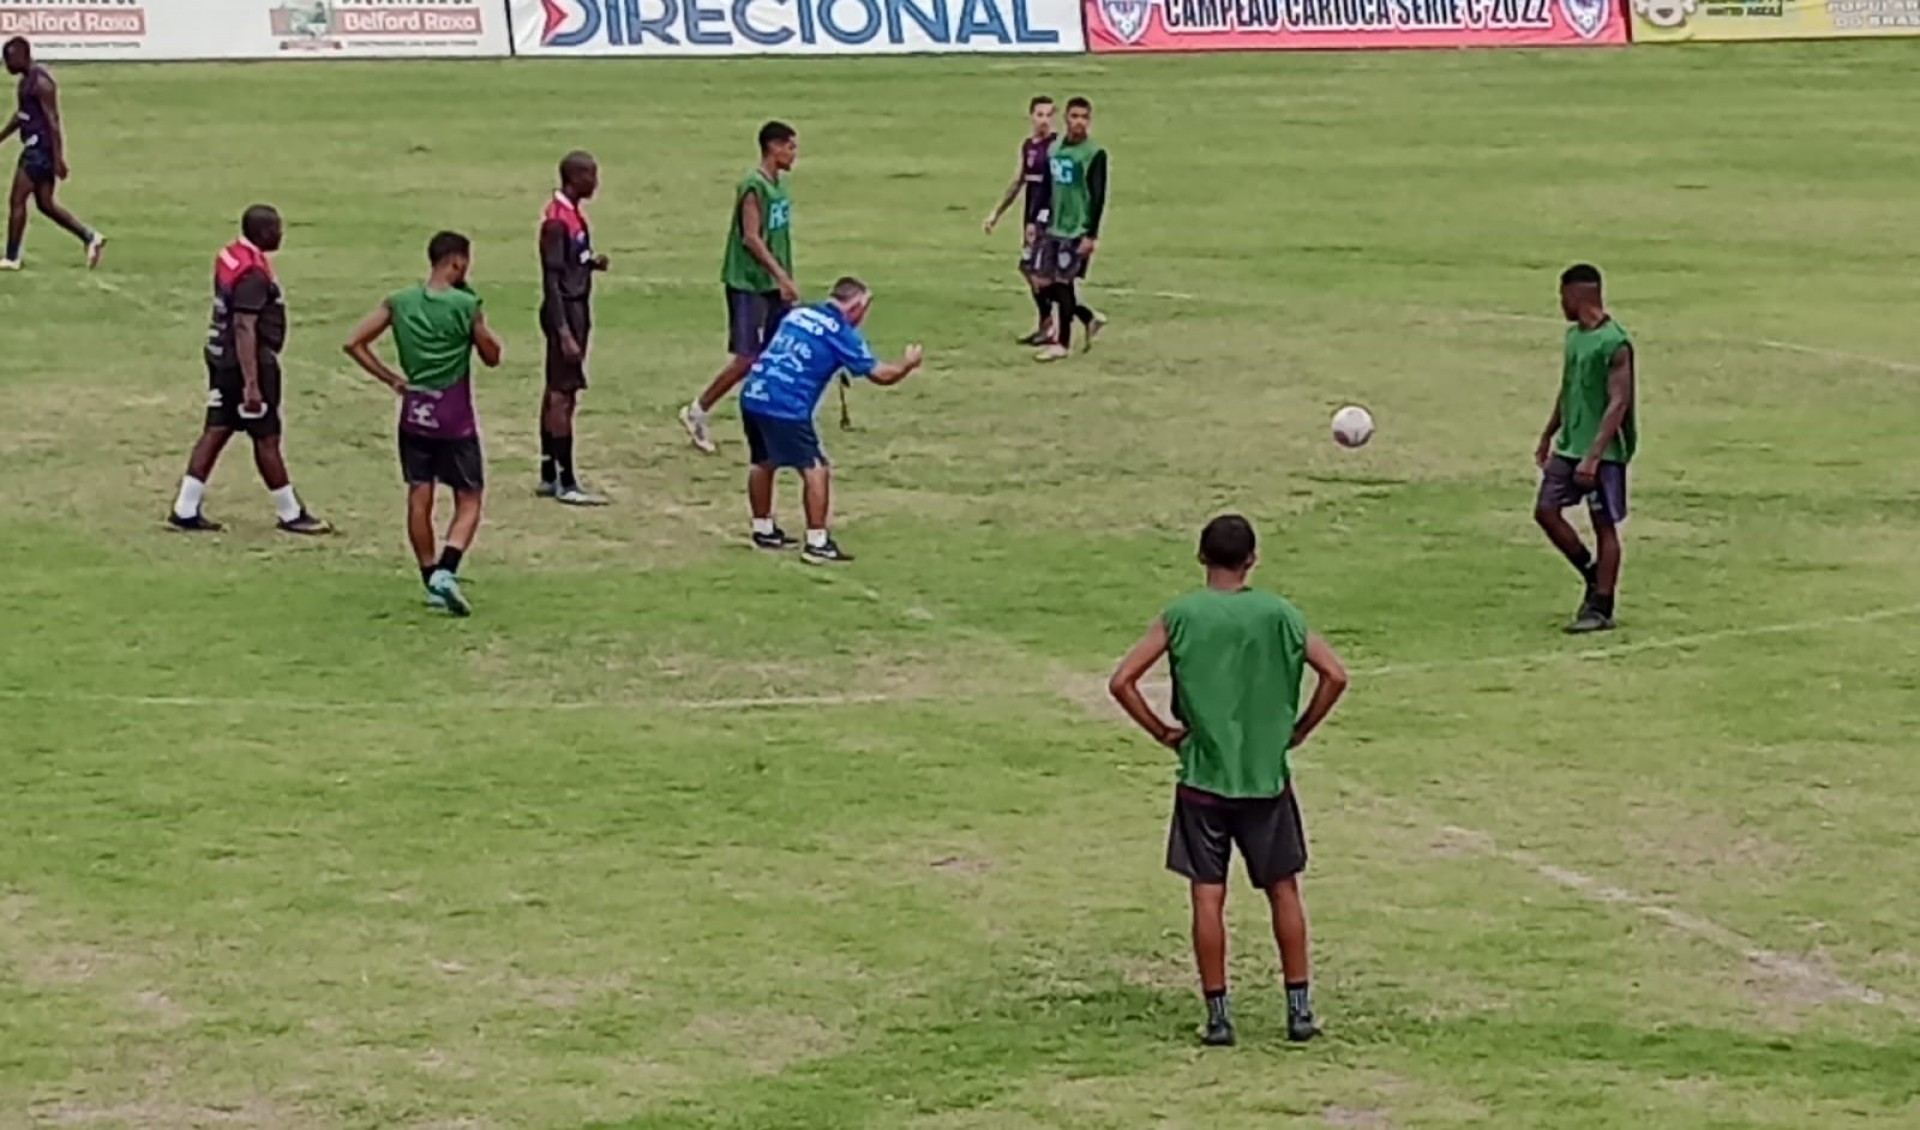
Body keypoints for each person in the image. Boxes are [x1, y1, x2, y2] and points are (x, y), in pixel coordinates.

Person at [1108, 514, 1350, 1048]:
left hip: (1203, 779)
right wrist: (1301, 728)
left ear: (1201, 557)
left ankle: (1219, 1016)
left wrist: (1162, 733)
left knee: (1207, 896)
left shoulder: (1180, 616)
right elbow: (1335, 673)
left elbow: (1122, 680)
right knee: (1283, 889)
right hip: (1265, 779)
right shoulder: (1281, 614)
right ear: (1252, 559)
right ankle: (1299, 1009)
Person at [342, 231, 503, 617]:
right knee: (469, 496)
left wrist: (391, 378)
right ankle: (447, 571)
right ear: (458, 262)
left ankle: (428, 573)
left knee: (419, 493)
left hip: (414, 412)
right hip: (455, 418)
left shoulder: (399, 302)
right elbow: (492, 355)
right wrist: (476, 319)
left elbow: (354, 343)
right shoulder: (466, 305)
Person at [166, 205, 328, 534]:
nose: (281, 234)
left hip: (220, 356)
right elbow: (244, 326)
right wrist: (252, 383)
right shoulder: (252, 275)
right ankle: (290, 512)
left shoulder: (232, 255)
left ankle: (185, 507)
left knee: (217, 428)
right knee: (266, 437)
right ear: (262, 233)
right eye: (276, 229)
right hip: (247, 363)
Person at [737, 276, 921, 564]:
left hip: (754, 393)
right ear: (857, 306)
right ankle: (817, 542)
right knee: (815, 468)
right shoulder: (841, 332)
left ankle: (763, 529)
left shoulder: (799, 313)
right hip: (786, 404)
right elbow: (880, 375)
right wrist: (907, 364)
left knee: (763, 461)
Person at [680, 120, 800, 455]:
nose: (794, 154)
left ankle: (771, 420)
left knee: (773, 355)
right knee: (746, 357)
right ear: (773, 147)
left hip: (772, 285)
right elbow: (751, 237)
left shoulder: (779, 186)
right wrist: (781, 275)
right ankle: (698, 410)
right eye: (790, 147)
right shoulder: (754, 186)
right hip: (748, 282)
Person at [1535, 263, 1636, 634]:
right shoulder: (1574, 337)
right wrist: (1549, 433)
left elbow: (1618, 402)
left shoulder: (1615, 342)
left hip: (1603, 453)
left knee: (1603, 524)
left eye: (1562, 296)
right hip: (1570, 445)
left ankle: (1602, 606)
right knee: (1546, 510)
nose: (1560, 304)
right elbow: (1569, 388)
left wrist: (1595, 455)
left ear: (1577, 295)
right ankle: (1593, 573)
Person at [537, 150, 609, 505]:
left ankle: (549, 471)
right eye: (590, 175)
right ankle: (566, 480)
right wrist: (563, 330)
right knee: (562, 396)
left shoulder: (571, 215)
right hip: (566, 310)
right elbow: (550, 280)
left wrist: (589, 263)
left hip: (572, 306)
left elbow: (567, 262)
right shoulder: (556, 222)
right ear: (573, 178)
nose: (595, 182)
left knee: (557, 389)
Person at [0, 37, 104, 270]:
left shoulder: (42, 83)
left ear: (22, 55)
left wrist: (59, 158)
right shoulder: (25, 82)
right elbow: (21, 116)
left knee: (17, 199)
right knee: (46, 204)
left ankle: (11, 257)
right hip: (36, 148)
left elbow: (54, 122)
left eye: (9, 58)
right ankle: (90, 237)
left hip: (40, 150)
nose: (5, 63)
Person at [1032, 97, 1107, 362]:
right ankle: (1088, 317)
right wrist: (1034, 220)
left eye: (1084, 117)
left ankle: (1062, 343)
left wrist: (1091, 234)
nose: (1078, 122)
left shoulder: (1094, 154)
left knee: (1064, 283)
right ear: (1065, 118)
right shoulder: (1055, 149)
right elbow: (1046, 187)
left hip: (1077, 228)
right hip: (1054, 225)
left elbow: (1098, 196)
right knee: (1041, 281)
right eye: (1074, 116)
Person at [983, 95, 1057, 346]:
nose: (1044, 120)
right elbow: (1018, 183)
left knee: (1036, 271)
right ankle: (1052, 322)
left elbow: (1059, 188)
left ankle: (1054, 324)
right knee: (1029, 269)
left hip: (1047, 217)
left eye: (1049, 115)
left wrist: (1040, 221)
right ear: (1031, 116)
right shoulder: (1028, 147)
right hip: (1031, 215)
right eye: (1040, 115)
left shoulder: (1057, 147)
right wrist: (996, 213)